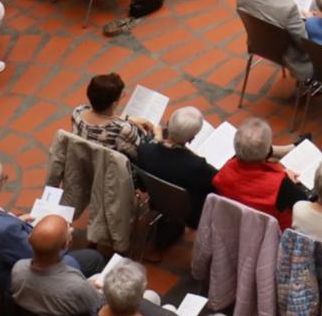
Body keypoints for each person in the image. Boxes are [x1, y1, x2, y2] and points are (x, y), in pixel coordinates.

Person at [134, 106, 217, 237]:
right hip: (190, 214)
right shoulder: (197, 166)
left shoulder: (144, 150)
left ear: (168, 124)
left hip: (157, 199)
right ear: (191, 139)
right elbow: (216, 184)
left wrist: (157, 138)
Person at [210, 117, 307, 229]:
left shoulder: (225, 170)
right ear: (267, 152)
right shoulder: (280, 185)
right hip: (272, 233)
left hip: (238, 225)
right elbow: (303, 202)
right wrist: (290, 182)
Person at [235, 0, 310, 79]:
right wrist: (309, 20)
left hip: (258, 44)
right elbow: (304, 43)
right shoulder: (288, 6)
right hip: (286, 54)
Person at [10, 214, 102, 316]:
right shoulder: (78, 286)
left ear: (29, 238)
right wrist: (90, 287)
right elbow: (99, 305)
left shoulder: (18, 267)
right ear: (66, 245)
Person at [70, 70, 157, 157]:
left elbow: (103, 118)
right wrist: (158, 136)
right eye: (121, 95)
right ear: (114, 103)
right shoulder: (122, 129)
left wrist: (127, 118)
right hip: (107, 169)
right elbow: (142, 154)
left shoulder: (77, 112)